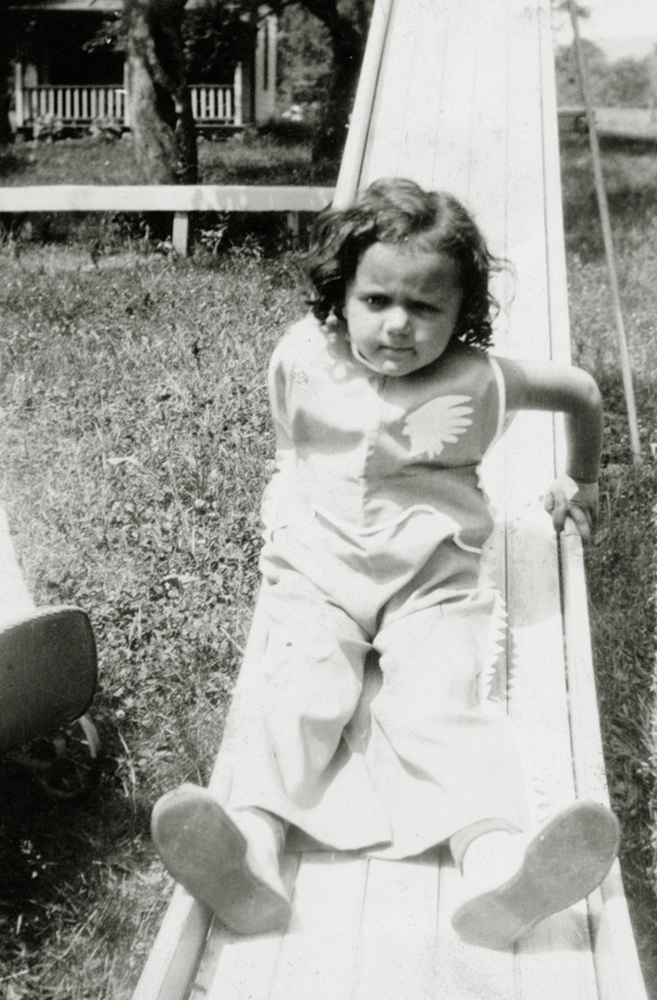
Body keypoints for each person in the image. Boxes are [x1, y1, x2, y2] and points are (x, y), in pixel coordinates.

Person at [151, 179, 618, 950]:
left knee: (436, 697)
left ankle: (494, 861)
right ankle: (253, 853)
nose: (398, 326)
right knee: (302, 687)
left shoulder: (483, 378)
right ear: (343, 294)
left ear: (460, 311)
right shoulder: (302, 357)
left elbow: (580, 391)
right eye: (376, 301)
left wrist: (586, 480)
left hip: (432, 574)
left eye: (426, 308)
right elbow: (290, 441)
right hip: (320, 567)